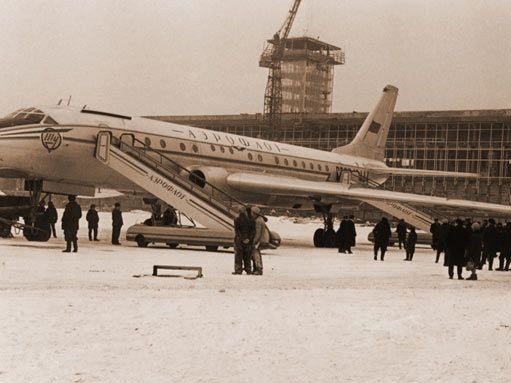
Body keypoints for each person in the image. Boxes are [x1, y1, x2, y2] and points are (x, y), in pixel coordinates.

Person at [233, 206, 253, 275]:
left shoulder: (236, 219)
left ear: (239, 212)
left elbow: (237, 231)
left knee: (238, 255)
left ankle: (238, 270)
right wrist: (248, 239)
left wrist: (242, 239)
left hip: (239, 240)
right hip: (248, 240)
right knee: (247, 256)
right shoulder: (250, 220)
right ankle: (248, 269)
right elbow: (252, 231)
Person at [250, 206, 265, 275]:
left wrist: (254, 241)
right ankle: (257, 269)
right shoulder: (260, 219)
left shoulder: (258, 221)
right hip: (259, 240)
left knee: (256, 255)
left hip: (257, 241)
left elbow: (258, 233)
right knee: (257, 254)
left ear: (254, 213)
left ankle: (258, 269)